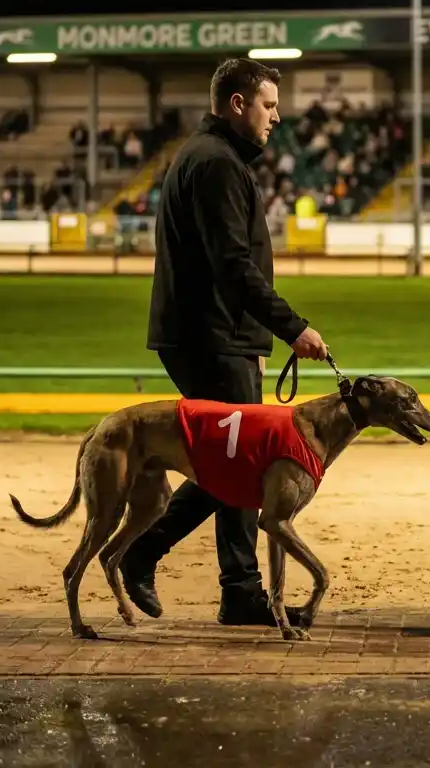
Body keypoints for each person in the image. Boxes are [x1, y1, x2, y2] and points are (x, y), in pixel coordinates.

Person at [120, 58, 330, 627]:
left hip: (213, 334)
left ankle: (237, 589)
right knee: (242, 463)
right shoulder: (215, 165)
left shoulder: (210, 157)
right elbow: (234, 267)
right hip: (211, 335)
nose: (276, 117)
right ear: (237, 104)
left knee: (235, 460)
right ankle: (148, 554)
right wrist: (293, 327)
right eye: (267, 105)